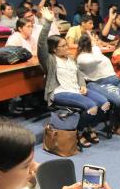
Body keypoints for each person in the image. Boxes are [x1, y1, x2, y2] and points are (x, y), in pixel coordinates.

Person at [39, 10, 109, 146]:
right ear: (54, 49)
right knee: (91, 107)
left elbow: (79, 75)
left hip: (76, 89)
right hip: (60, 92)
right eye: (63, 46)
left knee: (105, 104)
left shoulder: (70, 58)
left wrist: (82, 84)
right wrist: (47, 22)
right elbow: (41, 44)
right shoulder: (49, 60)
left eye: (66, 44)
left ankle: (89, 127)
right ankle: (79, 130)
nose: (67, 47)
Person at [76, 33, 120, 134]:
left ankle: (114, 118)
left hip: (115, 80)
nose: (98, 41)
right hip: (98, 83)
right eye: (95, 38)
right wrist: (95, 45)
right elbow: (97, 59)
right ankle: (117, 123)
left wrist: (95, 45)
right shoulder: (82, 58)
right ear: (88, 42)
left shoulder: (95, 50)